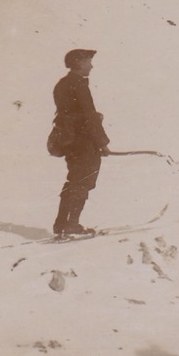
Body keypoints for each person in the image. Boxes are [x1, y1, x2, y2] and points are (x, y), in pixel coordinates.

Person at [50, 48, 111, 235]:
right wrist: (102, 143)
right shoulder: (78, 85)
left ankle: (62, 223)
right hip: (83, 142)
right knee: (83, 181)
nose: (91, 66)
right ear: (79, 63)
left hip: (68, 139)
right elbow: (88, 116)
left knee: (74, 180)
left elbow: (70, 112)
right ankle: (71, 224)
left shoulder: (62, 84)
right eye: (88, 62)